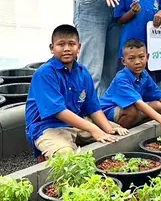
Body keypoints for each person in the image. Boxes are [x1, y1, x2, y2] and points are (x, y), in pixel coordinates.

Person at [25, 24, 128, 159]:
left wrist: (108, 129)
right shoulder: (44, 73)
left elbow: (93, 108)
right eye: (61, 44)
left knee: (118, 134)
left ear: (79, 47)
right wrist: (94, 129)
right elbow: (58, 111)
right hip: (48, 127)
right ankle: (46, 158)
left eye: (71, 44)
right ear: (52, 48)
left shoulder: (83, 72)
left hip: (78, 122)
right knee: (65, 155)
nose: (67, 49)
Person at [100, 39, 161, 135]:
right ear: (124, 61)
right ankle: (121, 133)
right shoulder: (121, 78)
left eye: (141, 57)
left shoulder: (144, 74)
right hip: (108, 113)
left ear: (147, 57)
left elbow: (158, 94)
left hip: (131, 107)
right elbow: (138, 103)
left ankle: (137, 130)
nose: (137, 62)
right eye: (131, 58)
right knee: (132, 111)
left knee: (158, 106)